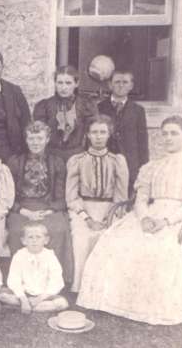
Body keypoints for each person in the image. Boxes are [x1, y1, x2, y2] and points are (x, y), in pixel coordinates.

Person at [77, 116, 182, 325]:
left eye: (174, 133)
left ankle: (146, 307)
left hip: (173, 219)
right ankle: (110, 301)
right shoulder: (151, 166)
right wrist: (144, 217)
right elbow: (140, 199)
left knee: (154, 249)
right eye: (164, 133)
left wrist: (165, 221)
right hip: (147, 215)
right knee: (113, 241)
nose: (168, 138)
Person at [66, 115, 128, 292]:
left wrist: (109, 217)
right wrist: (87, 219)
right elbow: (71, 197)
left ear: (110, 134)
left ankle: (105, 287)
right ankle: (80, 286)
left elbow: (121, 196)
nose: (98, 136)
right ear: (87, 135)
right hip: (83, 209)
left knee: (110, 237)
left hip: (110, 210)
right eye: (94, 132)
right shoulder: (77, 160)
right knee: (81, 238)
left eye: (103, 132)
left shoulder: (118, 161)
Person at [6, 121, 73, 284]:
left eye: (40, 138)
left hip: (48, 207)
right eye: (31, 139)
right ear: (26, 140)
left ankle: (53, 280)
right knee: (16, 231)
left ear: (47, 139)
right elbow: (9, 194)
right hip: (22, 208)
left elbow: (60, 194)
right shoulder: (16, 161)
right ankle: (21, 280)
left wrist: (50, 210)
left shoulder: (56, 162)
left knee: (58, 230)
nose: (35, 143)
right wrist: (24, 211)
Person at [0, 222, 69, 313]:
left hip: (44, 295)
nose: (34, 240)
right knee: (2, 294)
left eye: (38, 237)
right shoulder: (19, 255)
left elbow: (56, 281)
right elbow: (14, 279)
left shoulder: (50, 256)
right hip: (24, 294)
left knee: (62, 303)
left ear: (46, 240)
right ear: (23, 241)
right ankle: (28, 305)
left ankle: (27, 306)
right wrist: (23, 299)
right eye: (30, 237)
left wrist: (40, 298)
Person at [97, 70, 149, 194]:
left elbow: (142, 141)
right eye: (117, 82)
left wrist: (144, 167)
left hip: (130, 162)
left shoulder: (138, 110)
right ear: (110, 85)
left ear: (131, 86)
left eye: (125, 82)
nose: (121, 85)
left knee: (128, 197)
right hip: (106, 160)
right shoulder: (99, 107)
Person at [33, 66, 97, 162]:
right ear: (55, 83)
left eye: (68, 83)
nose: (64, 87)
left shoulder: (85, 105)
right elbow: (38, 135)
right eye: (60, 83)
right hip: (51, 156)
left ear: (76, 84)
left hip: (77, 156)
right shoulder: (44, 105)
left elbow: (92, 133)